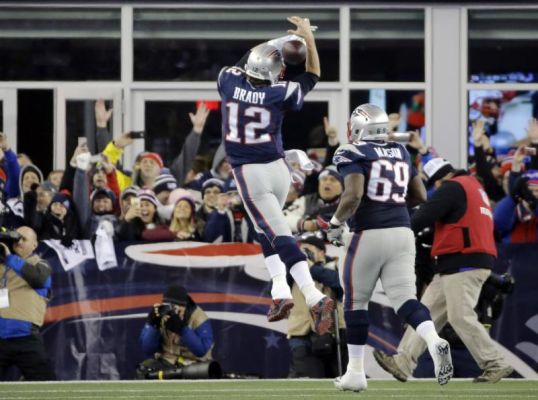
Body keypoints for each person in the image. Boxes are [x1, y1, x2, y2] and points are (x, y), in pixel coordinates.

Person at [217, 15, 334, 334]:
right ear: (275, 73)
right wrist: (307, 38)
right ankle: (280, 292)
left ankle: (312, 296)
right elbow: (314, 74)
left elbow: (247, 59)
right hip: (278, 170)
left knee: (280, 235)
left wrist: (277, 41)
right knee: (266, 229)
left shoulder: (228, 81)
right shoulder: (279, 93)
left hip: (250, 175)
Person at [327, 104, 453, 392]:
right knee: (405, 299)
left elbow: (354, 194)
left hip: (369, 234)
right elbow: (420, 194)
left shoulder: (352, 151)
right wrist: (391, 207)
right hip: (402, 232)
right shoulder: (400, 151)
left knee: (355, 302)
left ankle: (355, 372)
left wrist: (335, 223)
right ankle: (434, 341)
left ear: (359, 127)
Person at [373, 157, 513, 384]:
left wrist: (394, 228)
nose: (435, 189)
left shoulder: (452, 187)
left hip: (463, 261)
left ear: (439, 180)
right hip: (459, 261)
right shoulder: (473, 188)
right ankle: (402, 362)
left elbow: (423, 217)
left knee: (460, 317)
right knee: (423, 315)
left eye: (435, 185)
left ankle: (495, 362)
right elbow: (452, 224)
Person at [288, 234, 347, 378]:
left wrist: (311, 267)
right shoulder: (292, 270)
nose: (303, 254)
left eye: (307, 250)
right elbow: (275, 288)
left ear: (321, 253)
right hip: (300, 331)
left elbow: (339, 285)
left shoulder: (335, 266)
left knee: (336, 377)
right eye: (300, 250)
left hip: (332, 333)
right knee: (306, 377)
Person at [0, 226, 55, 380]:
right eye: (16, 238)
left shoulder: (41, 264)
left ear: (34, 245)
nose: (19, 242)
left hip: (26, 339)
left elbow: (39, 279)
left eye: (24, 239)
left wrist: (10, 258)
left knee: (46, 387)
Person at [136, 284, 214, 379]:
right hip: (167, 360)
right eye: (171, 308)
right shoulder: (161, 313)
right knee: (143, 370)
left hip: (192, 363)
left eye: (178, 310)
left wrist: (182, 329)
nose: (176, 313)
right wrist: (154, 325)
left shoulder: (199, 317)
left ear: (185, 306)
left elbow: (201, 351)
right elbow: (147, 349)